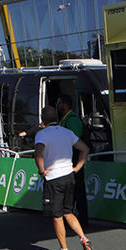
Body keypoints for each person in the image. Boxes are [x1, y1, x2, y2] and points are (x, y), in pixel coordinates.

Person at [34, 106, 92, 250]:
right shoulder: (67, 132)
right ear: (57, 118)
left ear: (43, 119)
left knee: (57, 215)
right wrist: (77, 168)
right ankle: (83, 238)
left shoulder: (42, 134)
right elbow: (85, 149)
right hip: (69, 175)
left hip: (53, 177)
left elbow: (38, 153)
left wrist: (41, 171)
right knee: (68, 211)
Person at [56, 94, 88, 226]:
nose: (57, 105)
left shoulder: (72, 119)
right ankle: (70, 215)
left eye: (59, 102)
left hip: (74, 158)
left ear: (64, 104)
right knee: (72, 189)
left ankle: (82, 217)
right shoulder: (64, 119)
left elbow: (76, 138)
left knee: (78, 188)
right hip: (67, 158)